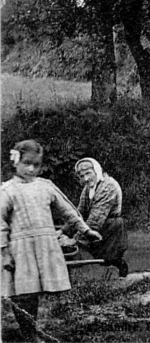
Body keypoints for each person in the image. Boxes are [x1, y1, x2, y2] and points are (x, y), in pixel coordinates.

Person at [1, 140, 101, 342]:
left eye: (36, 165)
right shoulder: (7, 190)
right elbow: (0, 223)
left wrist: (86, 230)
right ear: (16, 162)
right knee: (24, 293)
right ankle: (29, 334)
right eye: (27, 163)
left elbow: (69, 211)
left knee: (40, 291)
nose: (31, 169)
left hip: (45, 247)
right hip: (22, 250)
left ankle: (40, 329)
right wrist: (5, 252)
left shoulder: (45, 186)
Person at [64, 157, 129, 277]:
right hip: (98, 227)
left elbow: (96, 219)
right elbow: (79, 213)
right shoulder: (88, 188)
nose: (86, 178)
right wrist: (63, 231)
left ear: (97, 171)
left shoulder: (108, 186)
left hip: (110, 229)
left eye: (88, 173)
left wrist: (74, 239)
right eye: (82, 176)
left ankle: (117, 268)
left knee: (109, 260)